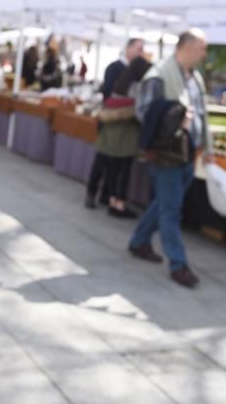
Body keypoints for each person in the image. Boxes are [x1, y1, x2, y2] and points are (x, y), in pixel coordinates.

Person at [128, 29, 213, 288]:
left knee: (166, 203)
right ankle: (178, 264)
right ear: (187, 47)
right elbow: (143, 112)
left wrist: (208, 147)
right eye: (202, 48)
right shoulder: (160, 75)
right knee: (171, 209)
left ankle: (139, 241)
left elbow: (202, 114)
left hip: (188, 151)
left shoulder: (195, 77)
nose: (204, 54)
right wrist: (175, 117)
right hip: (166, 153)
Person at [85, 39, 145, 209]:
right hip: (111, 122)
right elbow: (108, 95)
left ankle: (107, 195)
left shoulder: (135, 71)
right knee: (102, 160)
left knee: (116, 164)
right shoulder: (115, 68)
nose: (141, 52)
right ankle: (92, 192)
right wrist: (128, 107)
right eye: (138, 49)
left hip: (123, 126)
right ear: (128, 49)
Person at [97, 55, 152, 219]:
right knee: (124, 170)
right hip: (127, 133)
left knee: (114, 168)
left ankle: (111, 199)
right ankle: (118, 203)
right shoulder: (137, 86)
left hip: (114, 132)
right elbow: (139, 110)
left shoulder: (120, 83)